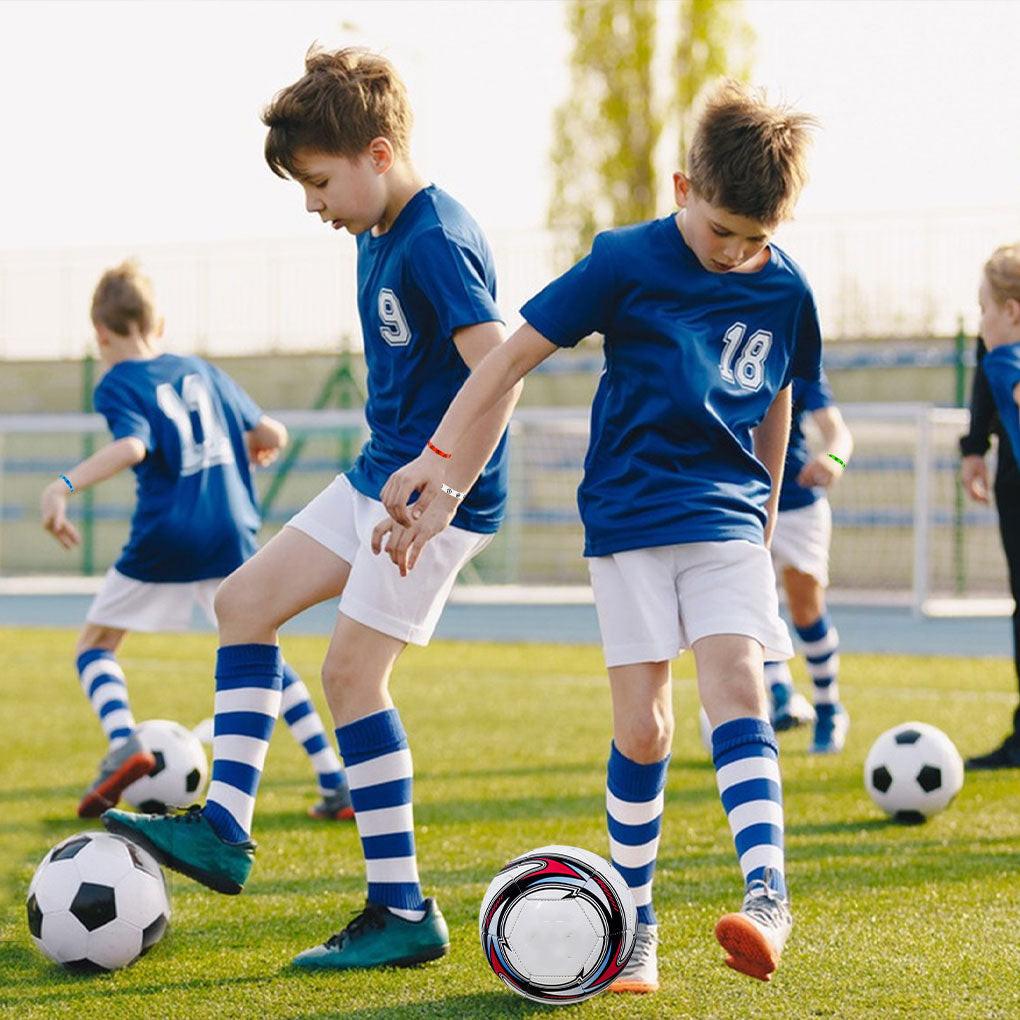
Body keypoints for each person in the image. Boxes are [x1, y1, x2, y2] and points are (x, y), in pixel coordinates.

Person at [379, 81, 820, 990]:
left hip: (726, 518)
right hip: (626, 521)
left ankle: (768, 894)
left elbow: (780, 394)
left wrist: (768, 510)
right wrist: (438, 459)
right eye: (722, 231)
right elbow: (510, 356)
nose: (736, 253)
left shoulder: (787, 289)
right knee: (644, 728)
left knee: (737, 685)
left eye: (755, 238)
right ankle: (638, 921)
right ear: (682, 190)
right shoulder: (624, 260)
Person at [104, 47, 519, 971]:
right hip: (381, 476)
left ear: (379, 154)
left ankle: (402, 908)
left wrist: (443, 488)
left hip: (436, 497)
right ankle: (225, 829)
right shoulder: (376, 229)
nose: (311, 204)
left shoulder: (435, 236)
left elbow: (502, 370)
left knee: (351, 676)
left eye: (320, 182)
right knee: (243, 603)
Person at [42, 262, 352, 823]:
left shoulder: (118, 382)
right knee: (262, 651)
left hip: (168, 533)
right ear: (158, 324)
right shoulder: (200, 369)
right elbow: (272, 433)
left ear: (101, 334)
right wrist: (257, 445)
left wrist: (63, 485)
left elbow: (133, 447)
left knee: (95, 646)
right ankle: (334, 778)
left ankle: (125, 742)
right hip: (229, 530)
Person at [766, 370, 853, 753]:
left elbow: (838, 433)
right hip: (740, 501)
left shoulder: (798, 361)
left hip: (797, 504)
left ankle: (829, 708)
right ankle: (780, 693)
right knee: (745, 607)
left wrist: (832, 460)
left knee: (806, 611)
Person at [963, 243, 1020, 769]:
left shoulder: (1004, 361)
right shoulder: (1000, 362)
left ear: (1011, 312)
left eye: (984, 309)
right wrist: (975, 445)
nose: (980, 324)